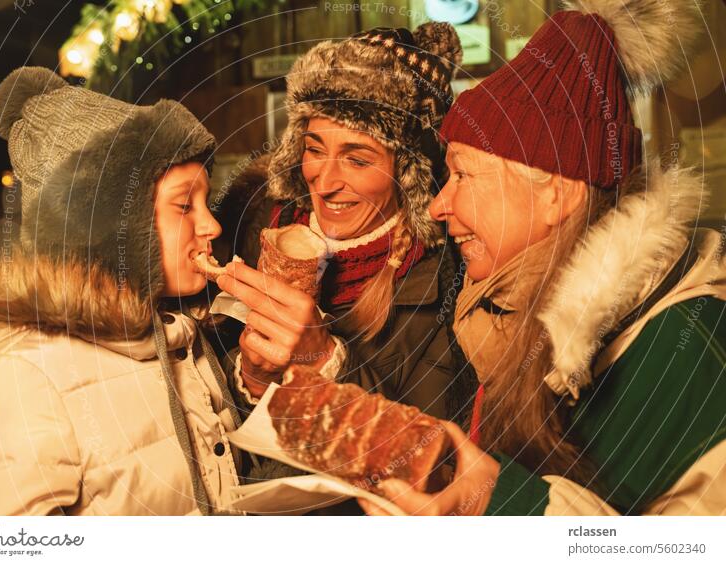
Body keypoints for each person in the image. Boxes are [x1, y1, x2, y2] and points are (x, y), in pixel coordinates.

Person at [361, 0, 726, 516]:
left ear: (556, 194)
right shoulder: (509, 317)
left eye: (462, 175)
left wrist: (502, 507)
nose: (440, 205)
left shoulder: (687, 351)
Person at [0, 67, 247, 515]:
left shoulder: (184, 338)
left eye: (207, 201)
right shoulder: (23, 383)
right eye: (184, 205)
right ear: (108, 227)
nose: (212, 225)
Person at [216, 23, 474, 423]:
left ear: (408, 174)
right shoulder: (250, 231)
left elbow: (433, 452)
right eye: (314, 149)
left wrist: (325, 363)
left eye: (357, 160)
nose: (326, 181)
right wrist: (250, 378)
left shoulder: (445, 281)